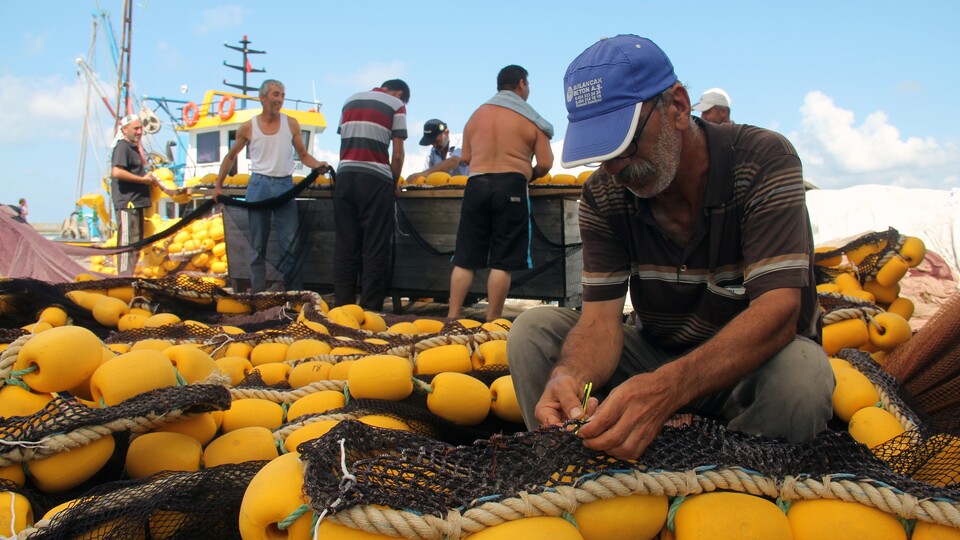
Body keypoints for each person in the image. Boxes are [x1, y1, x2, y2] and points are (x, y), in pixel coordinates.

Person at [508, 35, 833, 460]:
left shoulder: (762, 159)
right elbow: (600, 323)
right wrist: (572, 377)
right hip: (656, 356)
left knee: (802, 379)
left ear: (678, 106)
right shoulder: (605, 195)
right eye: (601, 155)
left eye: (625, 144)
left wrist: (668, 389)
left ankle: (734, 489)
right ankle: (575, 476)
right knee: (533, 333)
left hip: (750, 368)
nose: (616, 168)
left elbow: (779, 313)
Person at [446, 65, 554, 322]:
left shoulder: (475, 116)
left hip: (477, 185)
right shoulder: (531, 118)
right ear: (521, 84)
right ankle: (492, 322)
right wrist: (531, 172)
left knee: (464, 259)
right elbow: (547, 163)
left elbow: (468, 157)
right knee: (502, 261)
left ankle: (451, 318)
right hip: (510, 186)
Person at [214, 79, 330, 293]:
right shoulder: (248, 127)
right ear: (263, 97)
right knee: (258, 247)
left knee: (290, 245)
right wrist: (218, 186)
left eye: (282, 95)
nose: (280, 99)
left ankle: (293, 295)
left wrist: (318, 165)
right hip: (259, 185)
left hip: (285, 186)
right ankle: (257, 296)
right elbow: (231, 156)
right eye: (276, 94)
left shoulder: (291, 123)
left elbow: (303, 155)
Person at [334, 79, 411, 311]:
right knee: (375, 247)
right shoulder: (396, 104)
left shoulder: (349, 101)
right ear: (399, 93)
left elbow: (344, 143)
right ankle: (370, 310)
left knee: (345, 246)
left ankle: (342, 310)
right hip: (375, 179)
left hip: (345, 176)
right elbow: (398, 155)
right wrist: (394, 183)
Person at [111, 114, 166, 276]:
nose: (139, 132)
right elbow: (117, 171)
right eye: (135, 128)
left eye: (141, 128)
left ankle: (129, 275)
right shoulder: (122, 147)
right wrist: (142, 180)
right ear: (124, 129)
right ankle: (123, 277)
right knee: (128, 244)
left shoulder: (133, 148)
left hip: (137, 203)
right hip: (128, 204)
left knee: (136, 243)